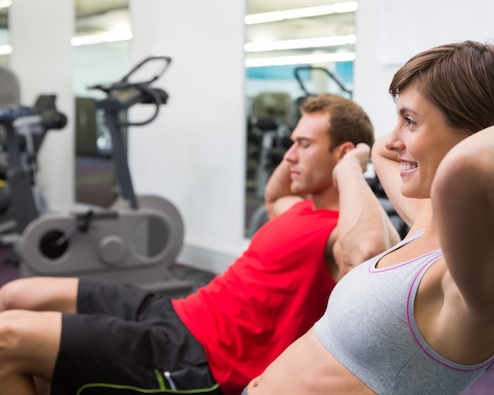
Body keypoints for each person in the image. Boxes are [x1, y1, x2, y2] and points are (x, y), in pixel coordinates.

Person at [0, 93, 401, 395]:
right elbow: (272, 194)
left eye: (305, 145)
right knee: (18, 294)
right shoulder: (298, 209)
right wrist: (306, 150)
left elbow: (366, 250)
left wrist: (352, 166)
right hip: (177, 311)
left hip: (200, 357)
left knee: (7, 339)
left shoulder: (340, 237)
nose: (290, 155)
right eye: (292, 143)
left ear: (342, 153)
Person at [244, 40, 494, 395]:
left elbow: (468, 172)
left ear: (475, 135)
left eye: (410, 121)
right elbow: (381, 153)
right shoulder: (425, 225)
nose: (392, 140)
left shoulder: (480, 275)